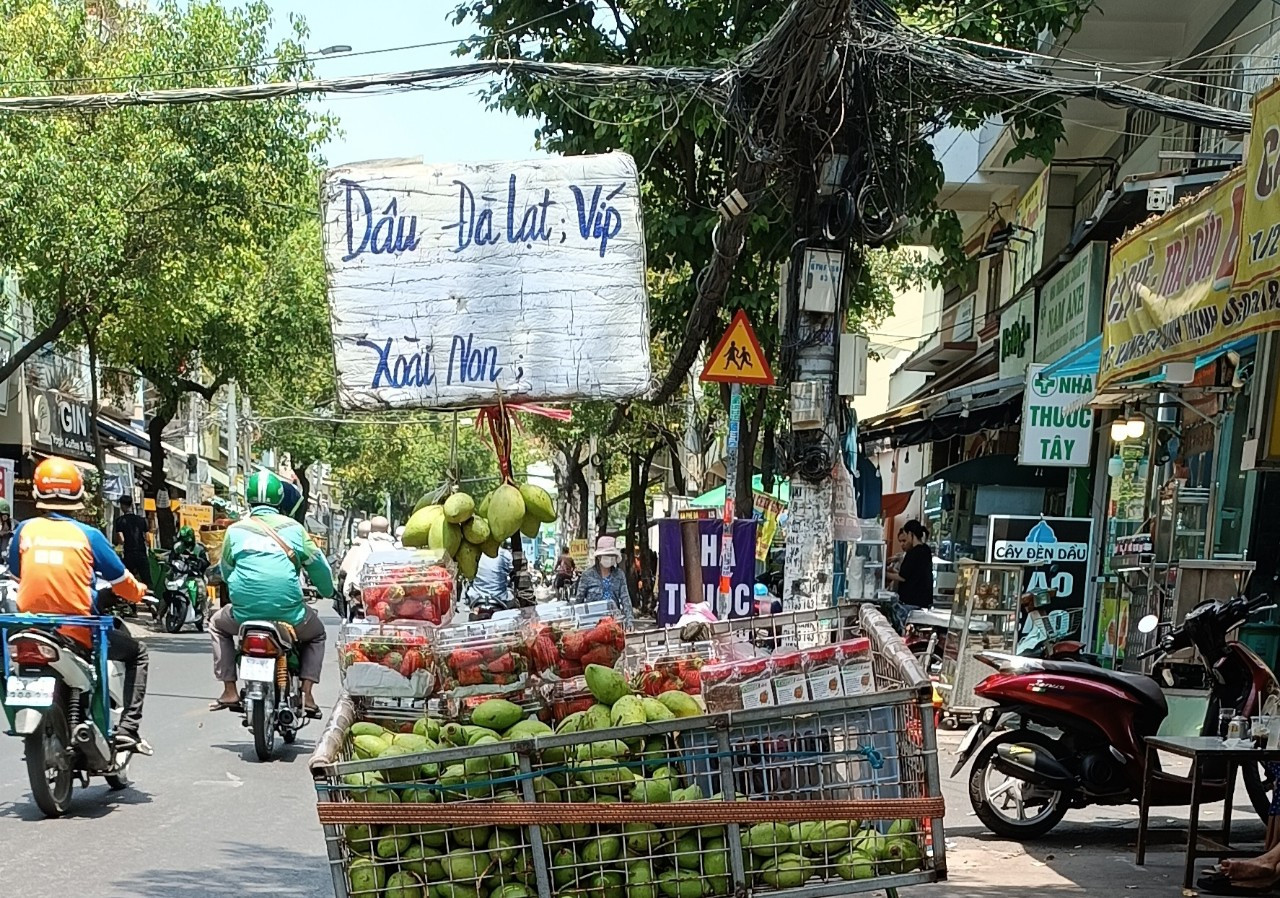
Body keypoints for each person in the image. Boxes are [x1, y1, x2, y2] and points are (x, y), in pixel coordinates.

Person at [10, 457, 150, 751]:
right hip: (76, 632)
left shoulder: (24, 530)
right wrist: (140, 593)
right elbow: (121, 581)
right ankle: (128, 727)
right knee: (138, 653)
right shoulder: (89, 535)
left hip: (29, 628)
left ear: (38, 493)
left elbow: (18, 573)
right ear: (78, 494)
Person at [208, 471, 333, 717]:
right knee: (317, 634)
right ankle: (307, 695)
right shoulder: (294, 530)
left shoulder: (235, 531)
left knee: (216, 624)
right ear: (279, 499)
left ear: (248, 499)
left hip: (244, 615)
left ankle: (229, 689)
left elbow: (225, 569)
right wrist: (328, 590)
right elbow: (318, 566)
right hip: (291, 615)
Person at [577, 536, 634, 629]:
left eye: (612, 555)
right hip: (592, 624)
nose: (610, 558)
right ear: (599, 557)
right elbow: (578, 601)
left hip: (613, 623)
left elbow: (625, 599)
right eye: (607, 555)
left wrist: (629, 621)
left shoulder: (619, 575)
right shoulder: (587, 575)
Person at [886, 520, 933, 631]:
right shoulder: (926, 550)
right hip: (924, 602)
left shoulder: (913, 553)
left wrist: (884, 574)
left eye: (906, 536)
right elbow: (914, 574)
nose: (905, 540)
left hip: (911, 603)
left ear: (911, 534)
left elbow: (903, 577)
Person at [113, 495, 152, 590]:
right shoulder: (142, 520)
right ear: (131, 505)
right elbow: (148, 539)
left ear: (122, 506)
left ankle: (129, 599)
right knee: (146, 579)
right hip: (141, 553)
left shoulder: (120, 521)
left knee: (128, 580)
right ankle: (150, 597)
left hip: (129, 554)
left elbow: (121, 540)